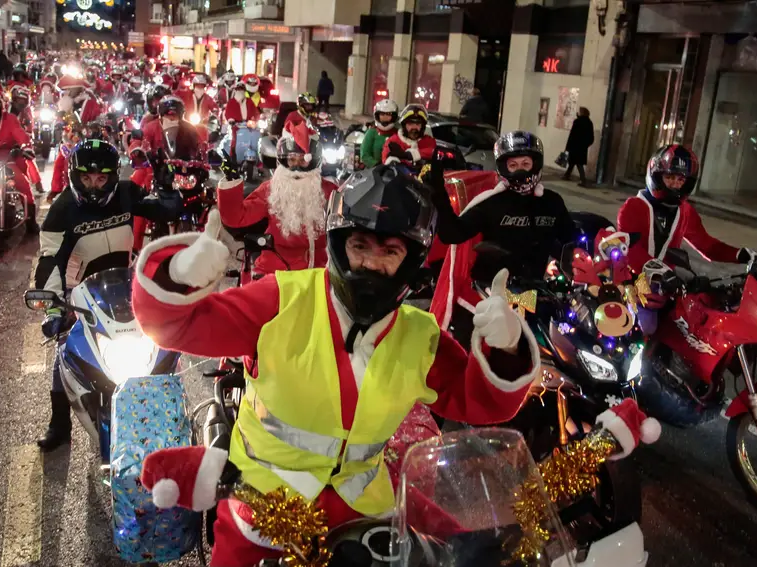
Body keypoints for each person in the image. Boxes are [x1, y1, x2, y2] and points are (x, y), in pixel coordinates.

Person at [128, 164, 548, 566]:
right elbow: (171, 327)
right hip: (264, 508)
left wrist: (506, 349)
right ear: (339, 243)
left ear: (412, 258)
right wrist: (176, 275)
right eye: (360, 245)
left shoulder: (420, 335)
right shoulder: (281, 299)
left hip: (366, 508)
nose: (371, 262)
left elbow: (483, 405)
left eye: (390, 251)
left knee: (469, 551)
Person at [34, 140, 184, 450]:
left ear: (113, 176)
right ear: (75, 176)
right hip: (79, 293)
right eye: (87, 178)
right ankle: (59, 423)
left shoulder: (128, 192)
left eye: (101, 178)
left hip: (124, 286)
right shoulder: (60, 211)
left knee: (157, 347)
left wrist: (169, 187)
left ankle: (167, 417)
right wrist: (53, 310)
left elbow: (167, 210)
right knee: (65, 353)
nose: (93, 186)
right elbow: (49, 261)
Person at [428, 131, 579, 348]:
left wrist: (593, 249)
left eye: (526, 163)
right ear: (503, 167)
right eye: (513, 164)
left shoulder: (552, 202)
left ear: (536, 164)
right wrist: (438, 193)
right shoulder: (491, 203)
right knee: (473, 359)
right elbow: (453, 234)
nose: (520, 170)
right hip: (487, 297)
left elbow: (570, 240)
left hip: (535, 296)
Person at [217, 119, 336, 276]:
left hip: (320, 270)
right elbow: (236, 218)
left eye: (303, 161)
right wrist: (231, 182)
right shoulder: (271, 189)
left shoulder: (330, 192)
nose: (297, 168)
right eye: (292, 160)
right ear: (283, 160)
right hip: (275, 269)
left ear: (313, 161)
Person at [618, 144, 753, 278]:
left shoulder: (684, 211)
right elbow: (630, 249)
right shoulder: (633, 206)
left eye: (681, 180)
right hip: (631, 282)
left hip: (667, 286)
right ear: (657, 175)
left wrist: (739, 254)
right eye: (670, 177)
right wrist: (661, 274)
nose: (675, 184)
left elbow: (707, 245)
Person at [0, 75, 41, 232]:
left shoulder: (10, 119)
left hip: (7, 160)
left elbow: (21, 135)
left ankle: (30, 221)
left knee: (23, 184)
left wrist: (26, 147)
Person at [142, 95, 202, 160]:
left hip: (184, 166)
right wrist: (140, 152)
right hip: (157, 165)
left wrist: (203, 151)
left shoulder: (190, 128)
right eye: (168, 115)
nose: (171, 118)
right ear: (161, 115)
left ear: (180, 116)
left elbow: (198, 145)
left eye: (174, 115)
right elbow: (142, 145)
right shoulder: (150, 127)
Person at [360, 99, 398, 168]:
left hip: (395, 170)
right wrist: (377, 165)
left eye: (388, 114)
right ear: (377, 115)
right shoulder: (372, 132)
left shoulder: (398, 133)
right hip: (374, 171)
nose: (385, 117)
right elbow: (365, 155)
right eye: (382, 114)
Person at [563, 107, 594, 186]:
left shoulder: (577, 121)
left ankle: (583, 180)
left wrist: (568, 147)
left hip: (574, 146)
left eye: (579, 112)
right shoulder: (589, 123)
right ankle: (567, 175)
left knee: (577, 163)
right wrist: (586, 145)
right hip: (582, 147)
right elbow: (591, 137)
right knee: (574, 162)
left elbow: (572, 135)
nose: (578, 113)